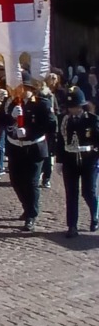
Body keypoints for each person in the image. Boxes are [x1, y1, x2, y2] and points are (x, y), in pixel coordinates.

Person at [0, 83, 57, 233]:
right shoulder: (11, 102)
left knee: (31, 182)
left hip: (34, 147)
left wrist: (30, 132)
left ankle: (31, 214)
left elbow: (51, 125)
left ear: (31, 89)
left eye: (24, 88)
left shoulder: (42, 104)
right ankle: (27, 206)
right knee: (16, 181)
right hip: (15, 147)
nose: (20, 90)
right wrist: (10, 117)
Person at [59, 87, 99, 238]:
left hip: (88, 160)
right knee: (71, 193)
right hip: (70, 159)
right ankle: (72, 225)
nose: (72, 110)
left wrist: (95, 154)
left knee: (88, 191)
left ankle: (94, 214)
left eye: (75, 106)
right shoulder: (64, 120)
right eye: (70, 107)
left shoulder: (92, 119)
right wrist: (59, 161)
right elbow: (60, 142)